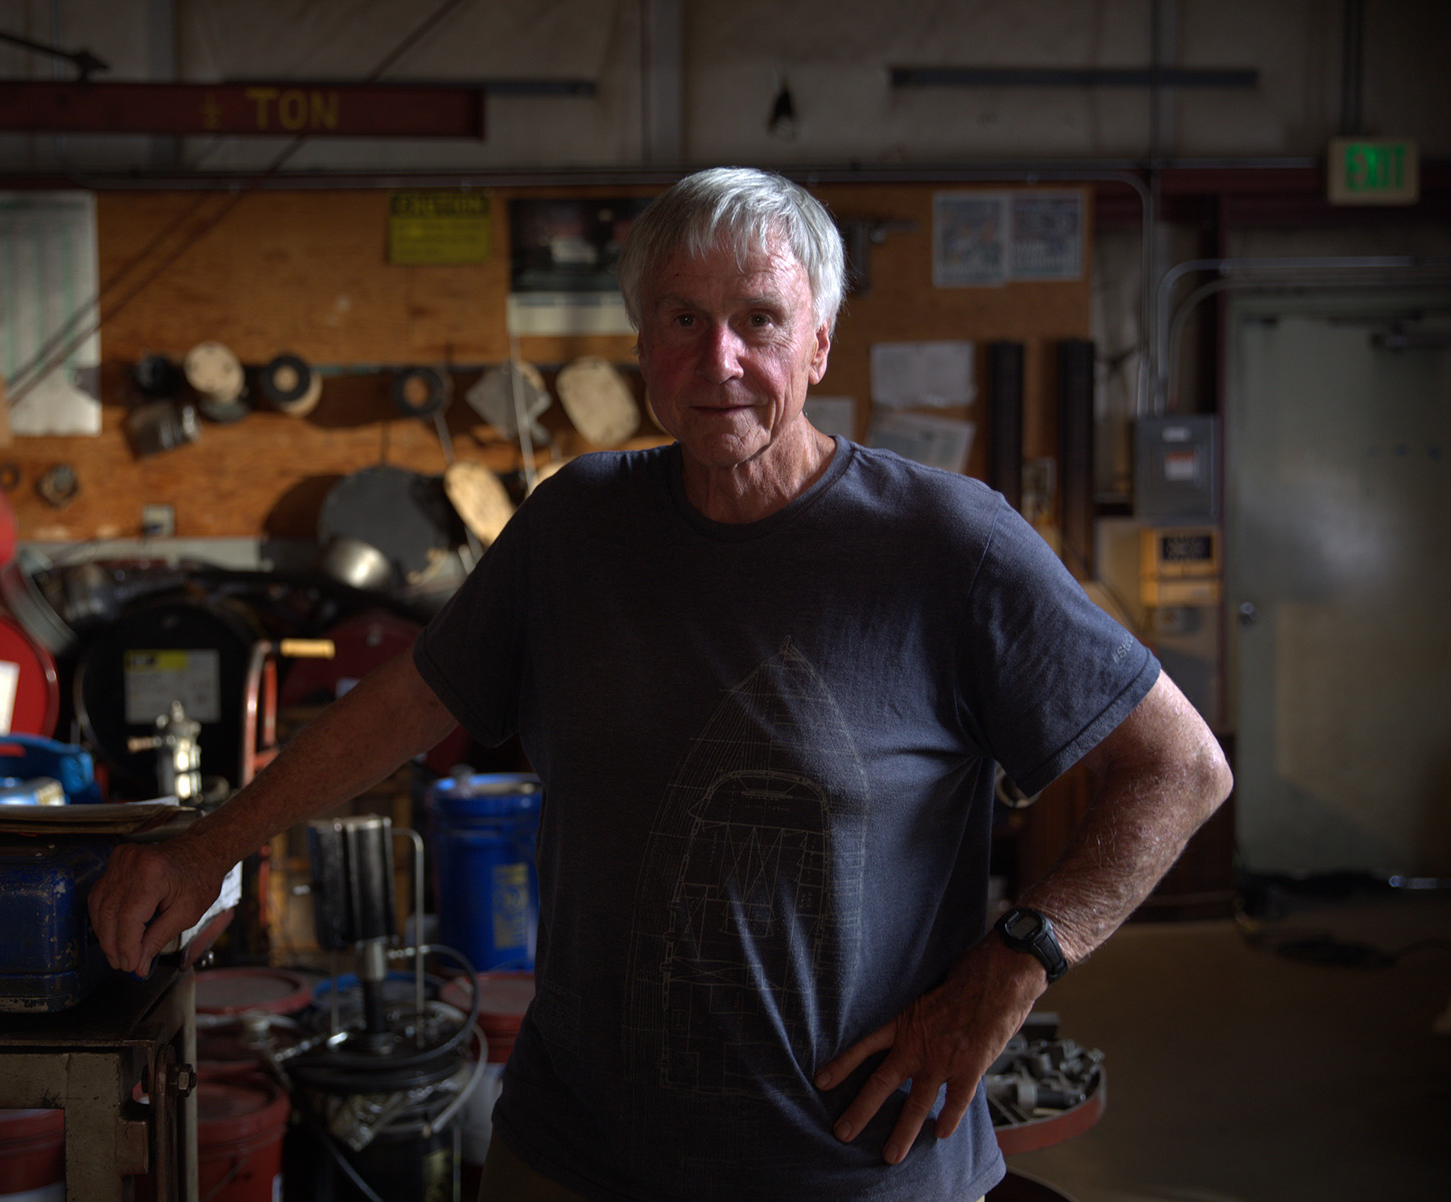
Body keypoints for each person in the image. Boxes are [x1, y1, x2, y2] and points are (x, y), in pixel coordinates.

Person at [89, 166, 1232, 1201]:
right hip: (576, 1151)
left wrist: (1012, 966)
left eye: (759, 321)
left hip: (850, 1165)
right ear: (643, 341)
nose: (718, 360)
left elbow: (1180, 767)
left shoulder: (949, 545)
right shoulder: (577, 522)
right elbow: (406, 703)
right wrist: (210, 844)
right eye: (682, 319)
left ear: (820, 343)